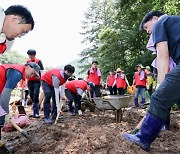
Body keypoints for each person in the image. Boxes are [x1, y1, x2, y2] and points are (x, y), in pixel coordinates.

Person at [123, 11, 180, 151]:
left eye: (147, 27)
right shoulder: (175, 23)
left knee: (159, 98)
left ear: (155, 18)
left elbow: (163, 57)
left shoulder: (161, 22)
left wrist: (160, 86)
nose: (148, 32)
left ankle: (143, 138)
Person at [0, 62, 40, 153]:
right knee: (1, 119)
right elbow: (5, 95)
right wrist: (6, 113)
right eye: (33, 72)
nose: (32, 76)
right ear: (28, 67)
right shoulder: (17, 73)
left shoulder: (17, 72)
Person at [26, 49, 44, 118]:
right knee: (31, 95)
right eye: (29, 55)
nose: (30, 56)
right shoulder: (28, 61)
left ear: (34, 55)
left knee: (36, 95)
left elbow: (42, 71)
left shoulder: (38, 61)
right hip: (30, 81)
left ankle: (36, 113)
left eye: (31, 55)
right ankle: (34, 112)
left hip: (37, 81)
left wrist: (42, 80)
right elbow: (26, 70)